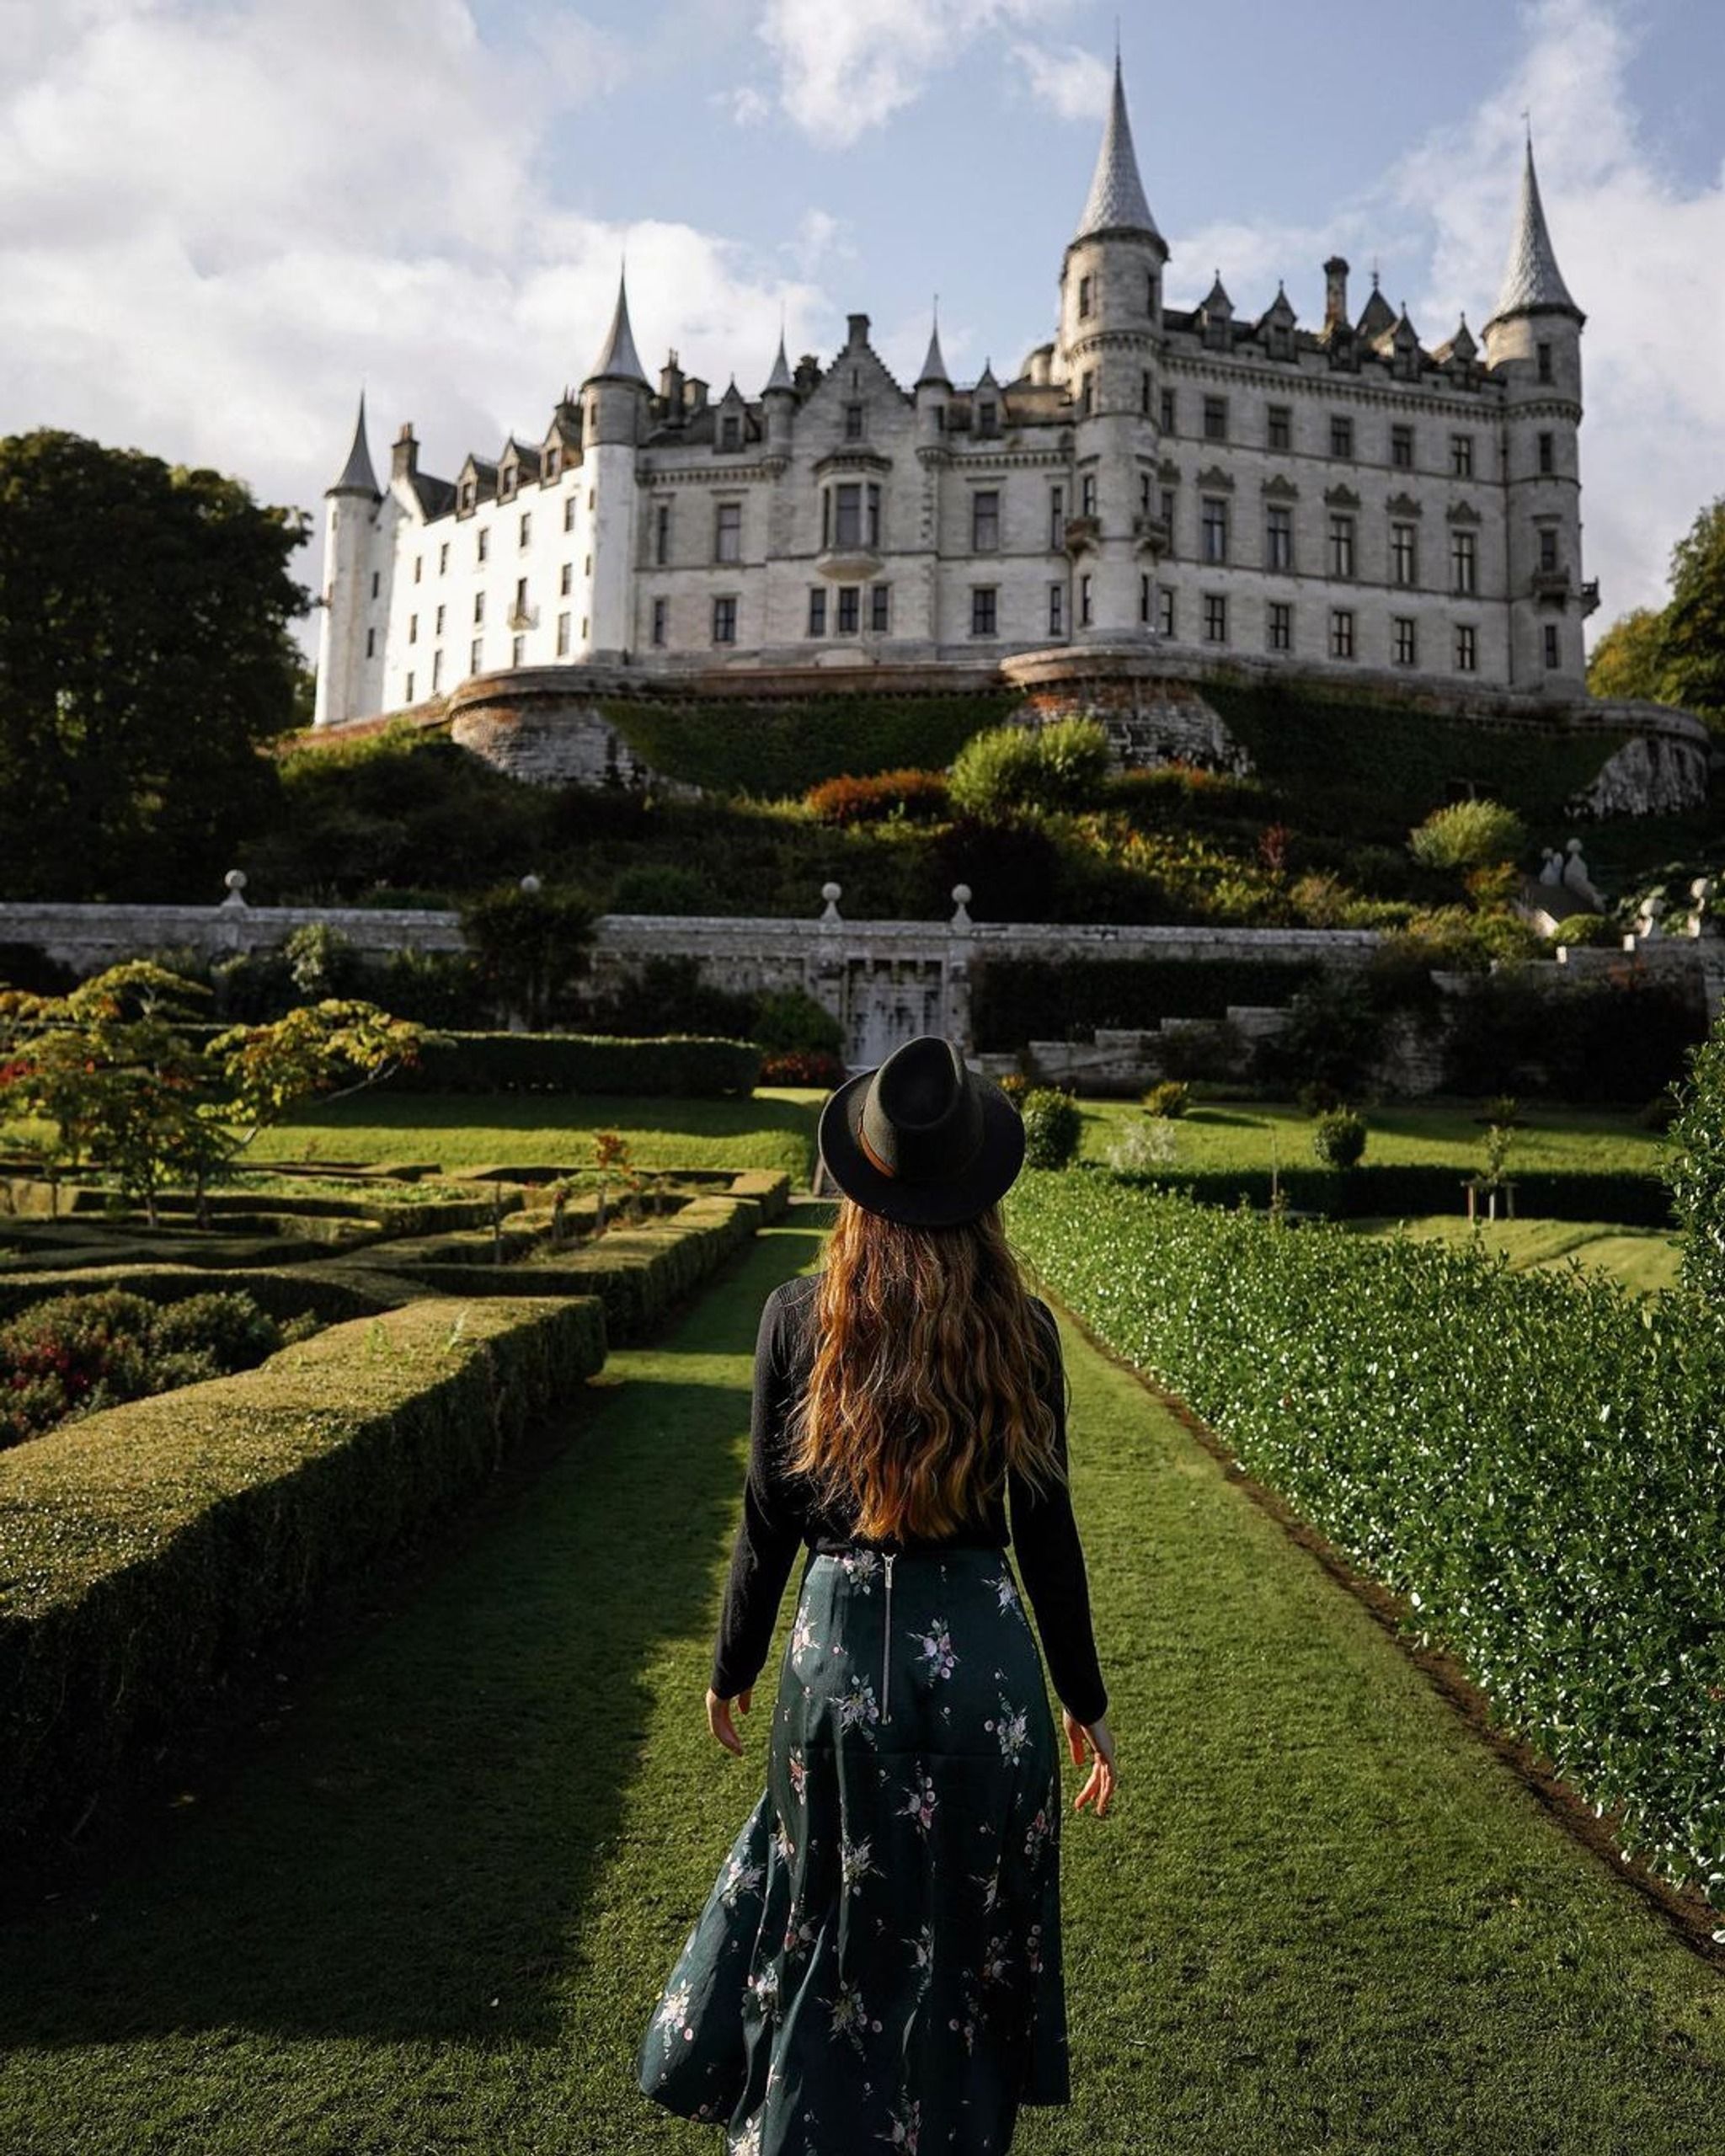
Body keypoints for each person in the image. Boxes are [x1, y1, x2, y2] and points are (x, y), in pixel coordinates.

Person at [636, 1034, 1117, 2153]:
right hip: (988, 1672)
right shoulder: (1024, 1331)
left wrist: (733, 1665)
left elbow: (767, 1513)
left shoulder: (800, 1318)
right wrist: (1083, 1701)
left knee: (828, 1929)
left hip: (840, 1662)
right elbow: (1047, 1529)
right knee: (961, 1946)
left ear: (861, 1175)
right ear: (981, 1186)